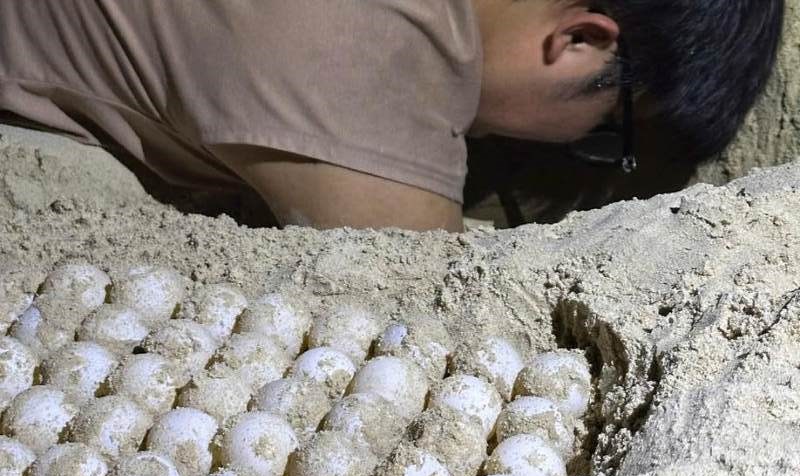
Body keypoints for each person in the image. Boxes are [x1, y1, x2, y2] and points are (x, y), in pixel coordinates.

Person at [0, 0, 785, 232]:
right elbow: (422, 301)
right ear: (578, 41)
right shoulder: (374, 45)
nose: (572, 152)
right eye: (606, 135)